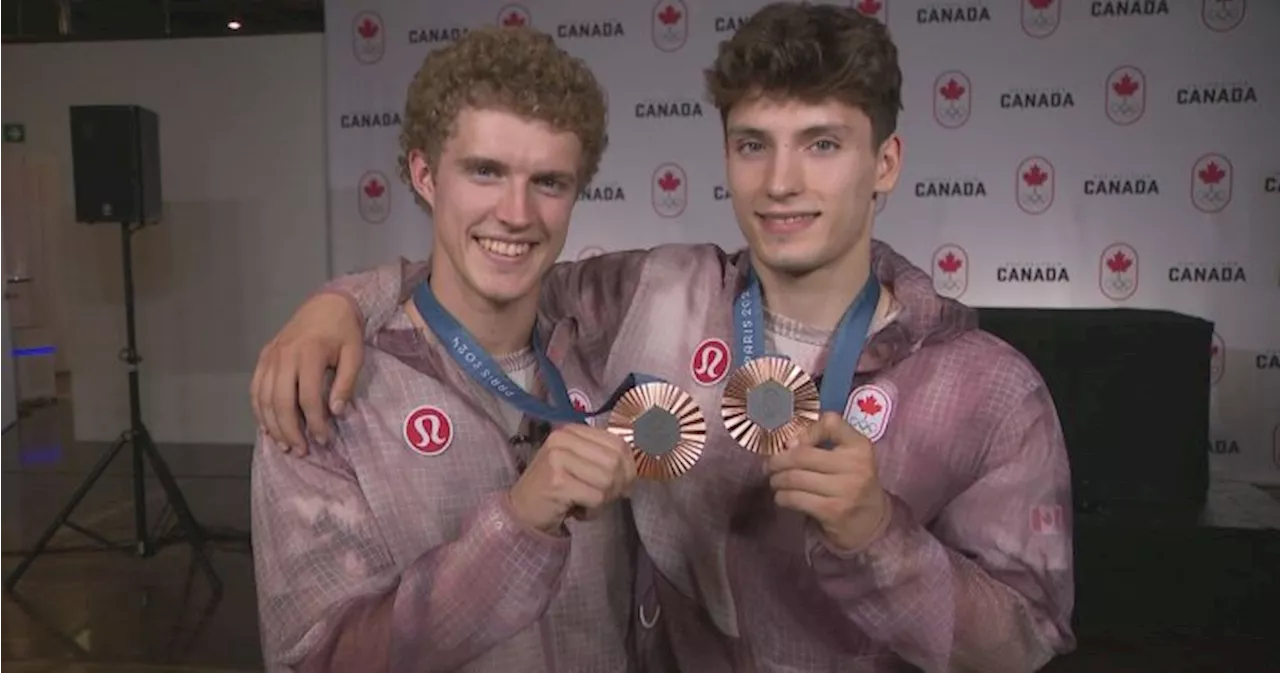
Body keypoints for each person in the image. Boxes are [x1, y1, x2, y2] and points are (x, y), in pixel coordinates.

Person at [253, 4, 1077, 671]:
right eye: (754, 145)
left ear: (886, 162)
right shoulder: (653, 295)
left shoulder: (989, 388)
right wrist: (340, 302)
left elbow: (1024, 643)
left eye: (822, 145)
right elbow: (484, 282)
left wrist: (879, 538)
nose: (782, 181)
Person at [249, 26, 666, 673]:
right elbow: (320, 659)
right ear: (424, 174)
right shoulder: (326, 389)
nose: (516, 212)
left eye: (549, 182)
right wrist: (517, 527)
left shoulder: (603, 344)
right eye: (485, 172)